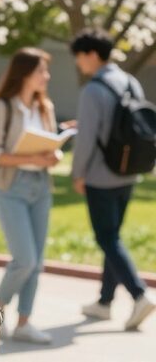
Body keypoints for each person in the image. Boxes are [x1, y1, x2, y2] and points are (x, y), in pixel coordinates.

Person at [70, 29, 155, 331]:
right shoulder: (130, 81)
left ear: (91, 54)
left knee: (107, 237)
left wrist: (77, 173)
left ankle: (139, 294)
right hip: (128, 171)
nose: (79, 64)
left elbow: (87, 141)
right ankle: (105, 302)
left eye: (79, 58)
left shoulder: (93, 90)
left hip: (100, 176)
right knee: (114, 236)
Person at [0, 48, 60, 343]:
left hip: (41, 186)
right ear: (24, 73)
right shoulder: (3, 107)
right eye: (42, 70)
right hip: (11, 187)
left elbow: (48, 145)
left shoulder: (45, 108)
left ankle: (24, 322)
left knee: (37, 262)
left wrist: (52, 156)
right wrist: (31, 159)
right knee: (24, 260)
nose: (46, 76)